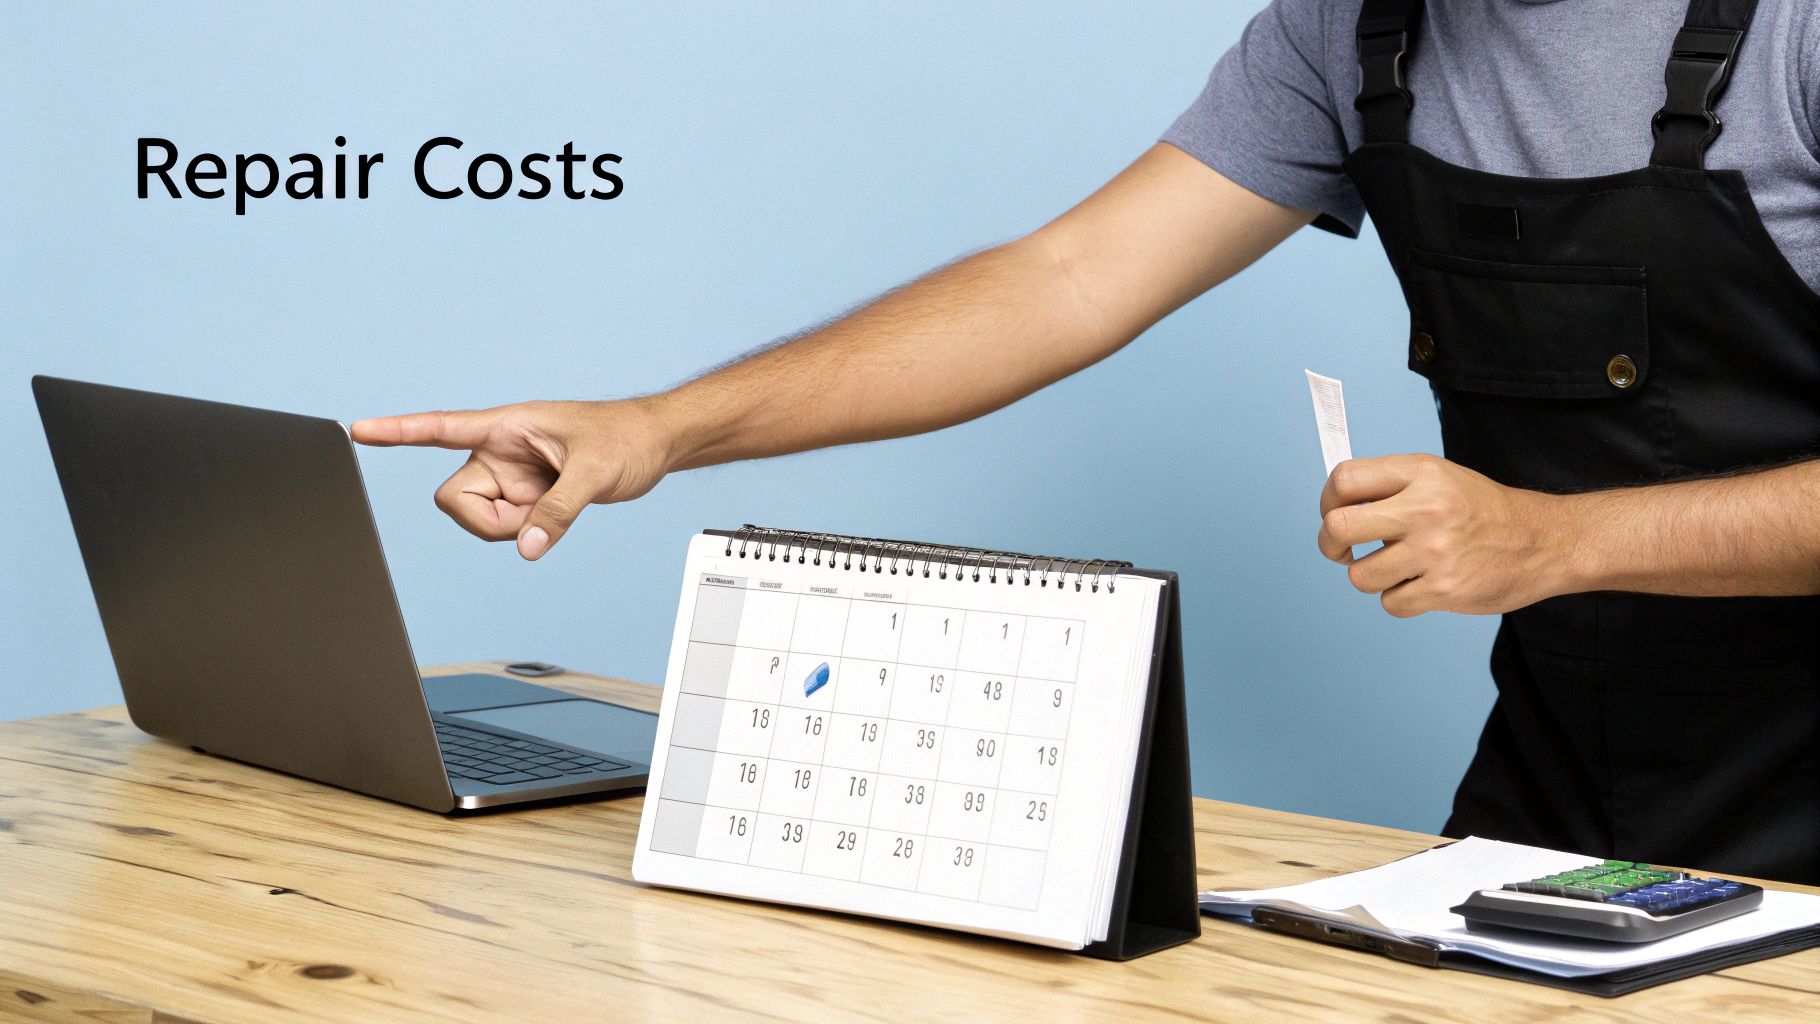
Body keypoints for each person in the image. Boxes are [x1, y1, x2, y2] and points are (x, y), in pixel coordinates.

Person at [354, 0, 1820, 885]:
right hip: (1564, 796)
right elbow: (1064, 281)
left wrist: (1563, 540)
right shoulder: (1350, 31)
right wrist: (661, 428)